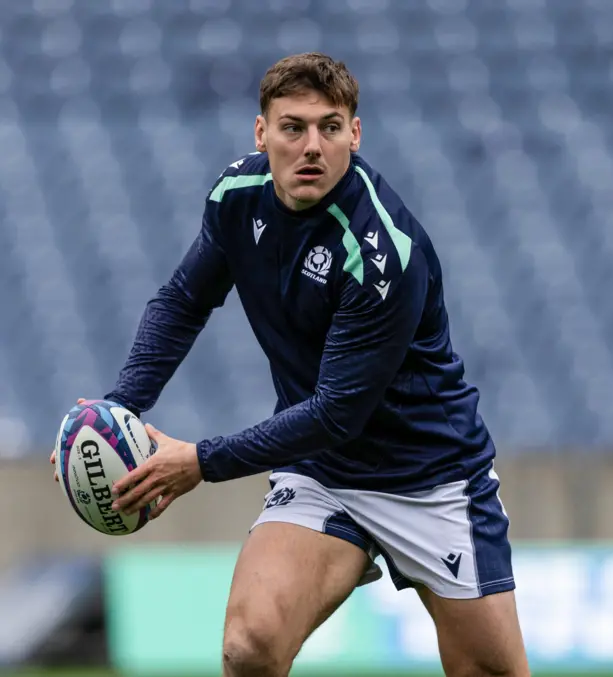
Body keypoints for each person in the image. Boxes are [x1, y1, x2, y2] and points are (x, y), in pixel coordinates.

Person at [51, 53, 530, 677]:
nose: (311, 146)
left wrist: (200, 462)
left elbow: (337, 413)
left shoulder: (381, 253)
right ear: (261, 133)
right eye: (292, 127)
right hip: (321, 475)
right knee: (248, 649)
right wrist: (122, 409)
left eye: (330, 128)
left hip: (430, 480)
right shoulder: (236, 196)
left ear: (354, 135)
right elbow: (183, 300)